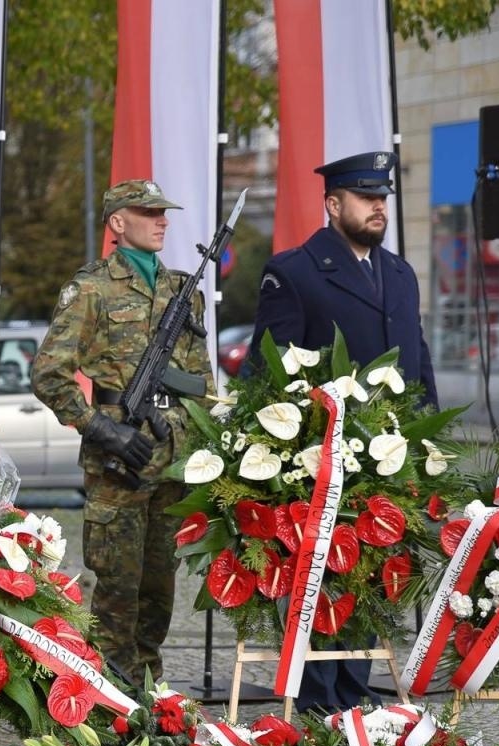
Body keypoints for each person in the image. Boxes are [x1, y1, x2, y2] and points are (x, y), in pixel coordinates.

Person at [247, 150, 436, 713]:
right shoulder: (294, 270)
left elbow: (417, 363)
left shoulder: (400, 273)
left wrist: (426, 439)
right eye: (365, 197)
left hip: (391, 458)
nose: (379, 207)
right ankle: (317, 700)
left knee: (377, 579)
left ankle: (358, 697)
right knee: (325, 581)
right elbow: (268, 369)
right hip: (322, 462)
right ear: (333, 204)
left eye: (382, 198)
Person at [31, 178, 210, 685]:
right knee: (116, 587)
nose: (162, 221)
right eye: (149, 212)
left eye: (164, 213)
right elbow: (49, 373)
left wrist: (208, 449)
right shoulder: (91, 288)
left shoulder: (181, 289)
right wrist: (102, 431)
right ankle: (110, 701)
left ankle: (152, 690)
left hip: (173, 459)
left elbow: (201, 379)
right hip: (120, 462)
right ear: (117, 222)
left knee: (160, 585)